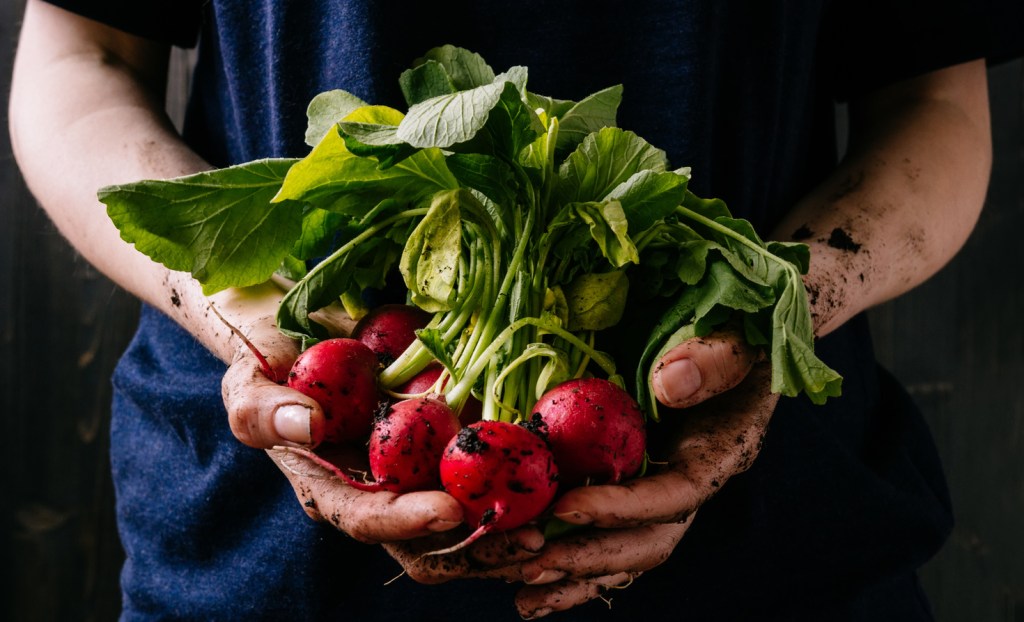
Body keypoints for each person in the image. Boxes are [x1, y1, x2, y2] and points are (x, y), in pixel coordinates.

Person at [9, 1, 1021, 619]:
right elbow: (78, 64)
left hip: (773, 558)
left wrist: (772, 311)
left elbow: (931, 107)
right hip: (262, 561)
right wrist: (239, 308)